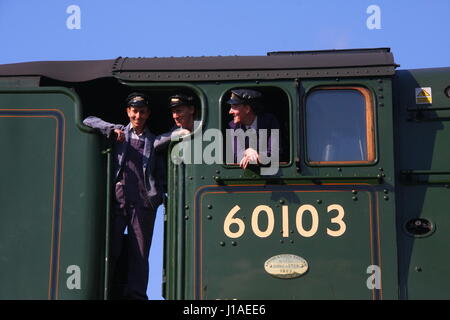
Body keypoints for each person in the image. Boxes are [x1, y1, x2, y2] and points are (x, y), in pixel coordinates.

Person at [83, 92, 164, 300]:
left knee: (140, 252)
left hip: (143, 201)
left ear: (148, 114)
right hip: (119, 198)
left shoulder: (153, 141)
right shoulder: (119, 132)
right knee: (113, 247)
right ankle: (108, 291)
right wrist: (112, 130)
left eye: (142, 112)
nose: (138, 116)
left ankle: (137, 295)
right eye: (135, 111)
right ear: (128, 112)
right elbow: (88, 120)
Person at [227, 88, 281, 170]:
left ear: (247, 109)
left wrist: (257, 156)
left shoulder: (269, 121)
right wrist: (247, 152)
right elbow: (233, 154)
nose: (230, 111)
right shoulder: (232, 126)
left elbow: (275, 151)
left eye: (234, 107)